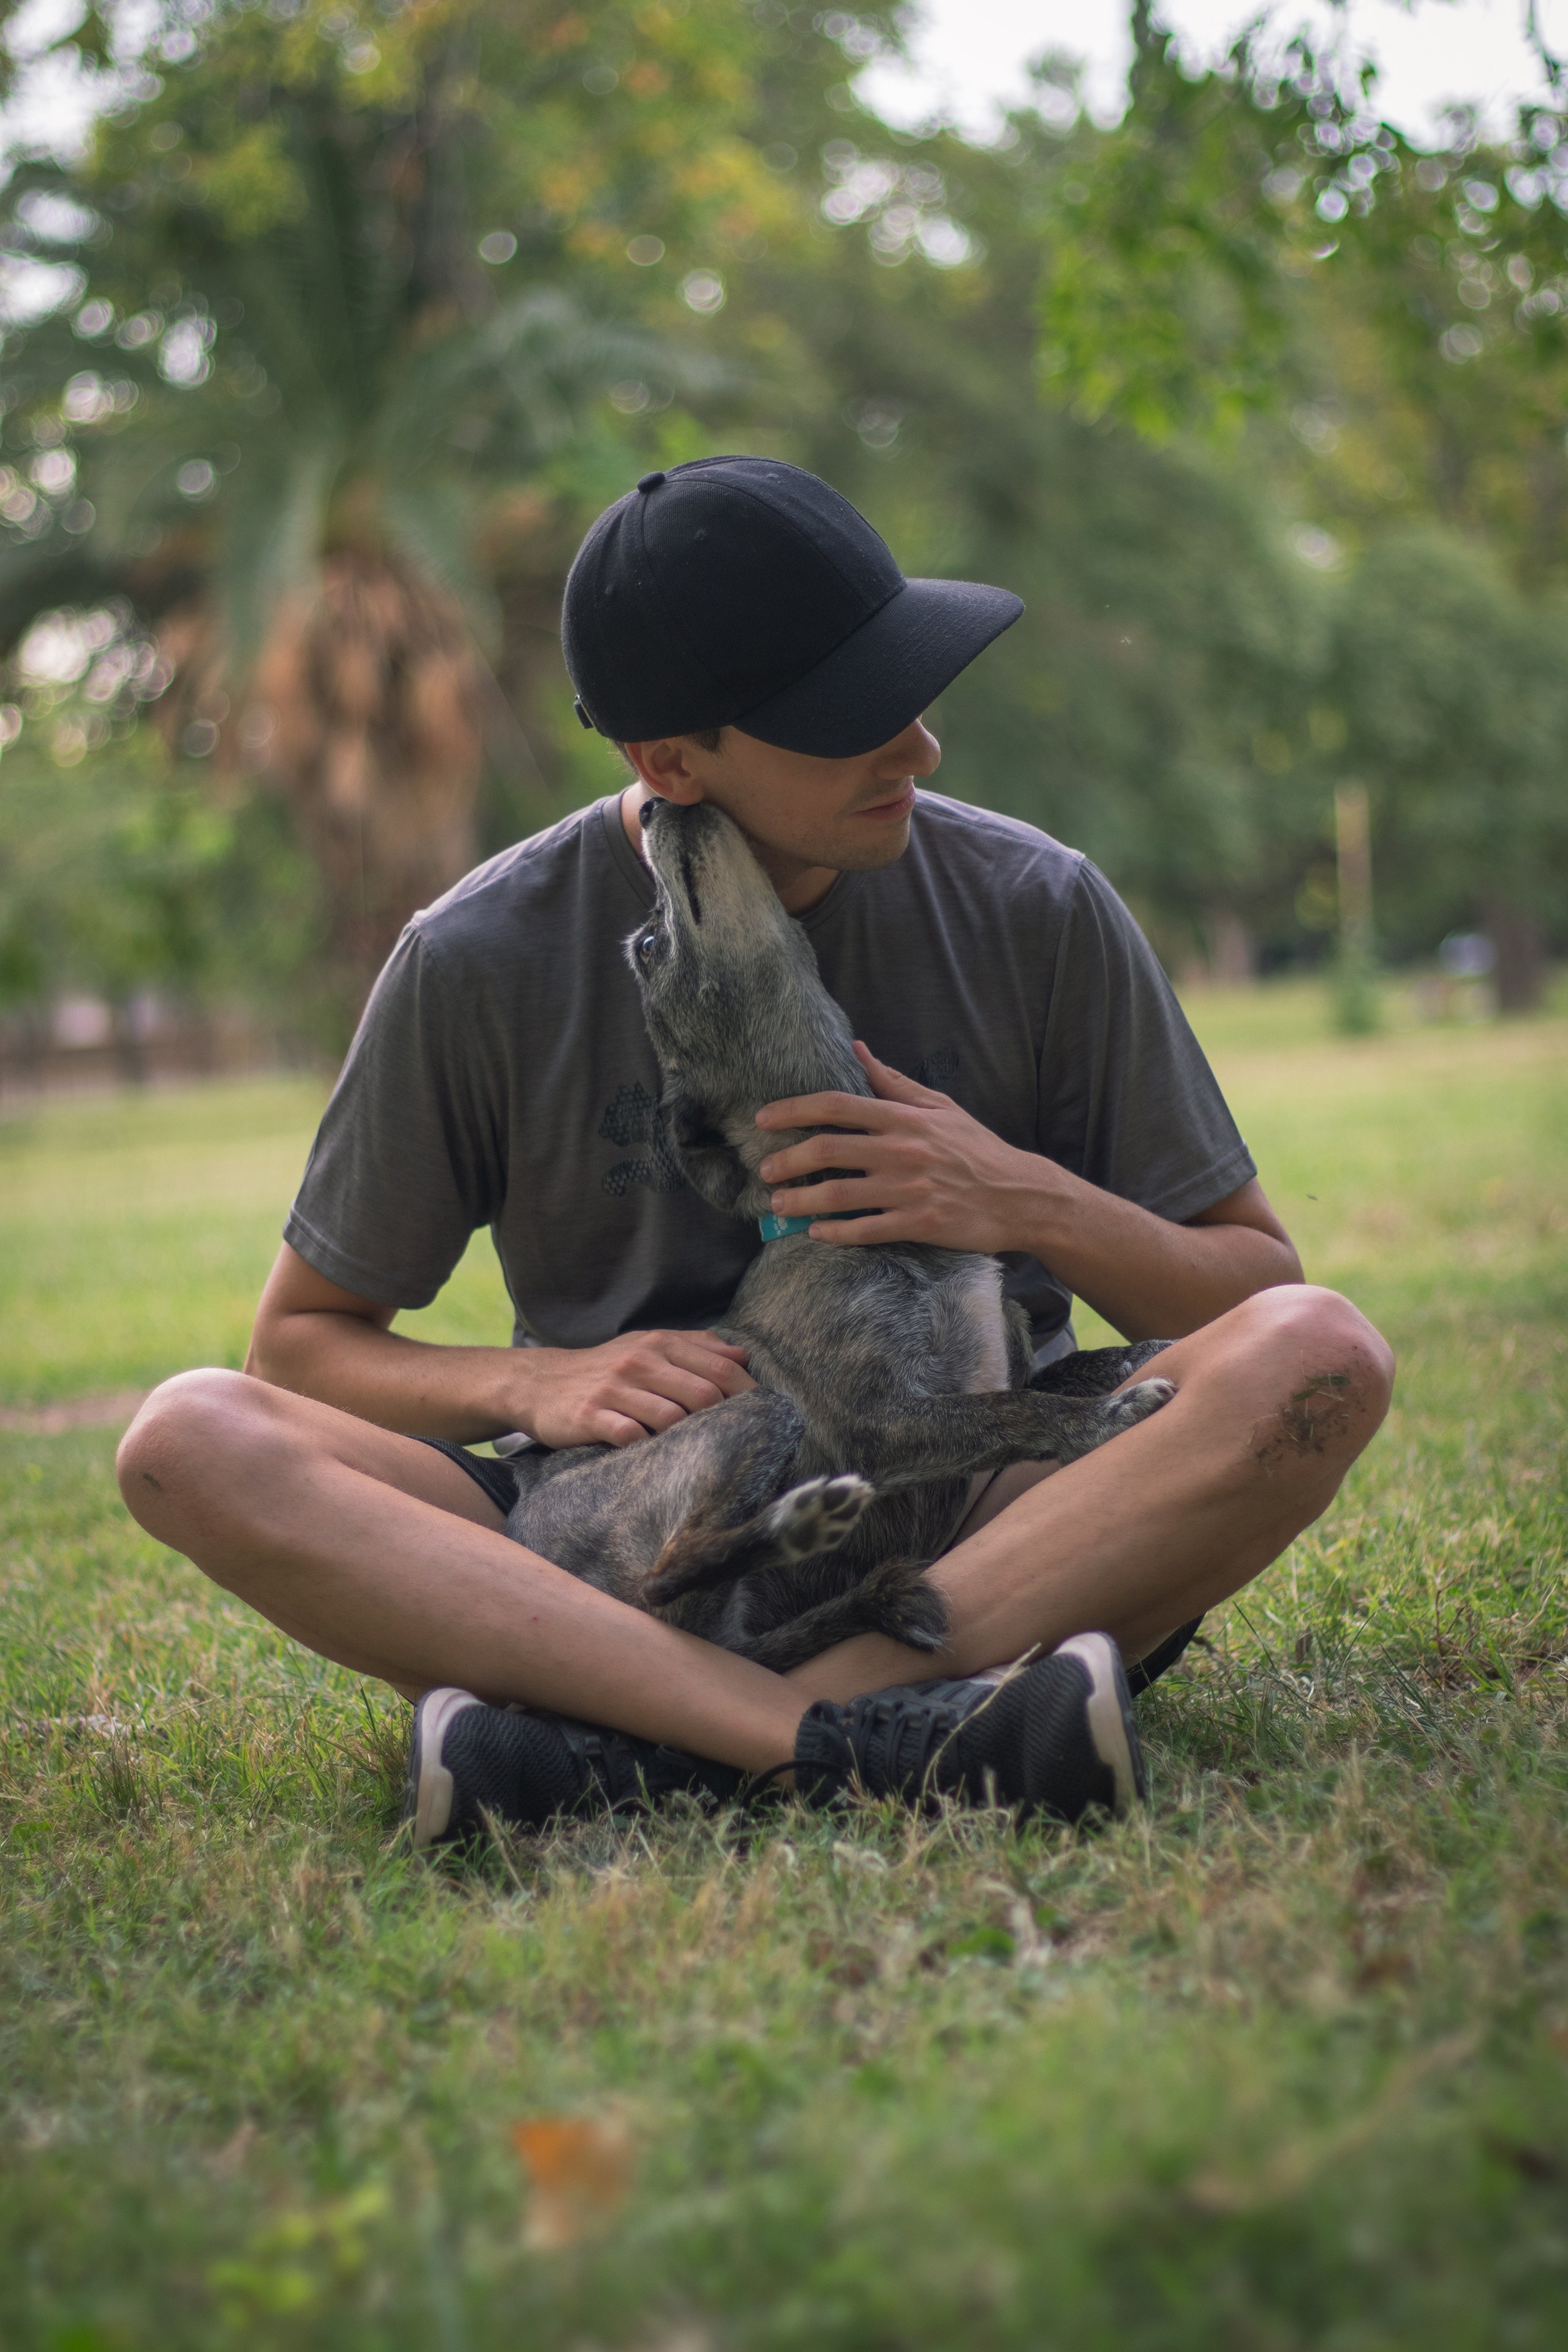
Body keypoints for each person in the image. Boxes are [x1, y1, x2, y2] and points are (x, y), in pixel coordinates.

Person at [116, 457, 1393, 1843]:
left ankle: (637, 1750)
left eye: (910, 687)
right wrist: (537, 1381)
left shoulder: (1033, 903)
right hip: (630, 1533)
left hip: (971, 1511)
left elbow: (1254, 1284)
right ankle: (871, 1739)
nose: (917, 749)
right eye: (850, 720)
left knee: (1319, 1355)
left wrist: (1014, 1195)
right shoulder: (478, 959)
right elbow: (300, 1347)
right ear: (668, 760)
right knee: (190, 1438)